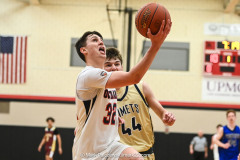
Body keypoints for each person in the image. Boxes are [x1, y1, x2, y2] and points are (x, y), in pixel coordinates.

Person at [72, 19, 172, 160]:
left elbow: (96, 106)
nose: (101, 42)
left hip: (110, 146)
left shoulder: (105, 81)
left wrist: (111, 118)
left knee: (137, 158)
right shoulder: (88, 74)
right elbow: (134, 76)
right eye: (95, 40)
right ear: (84, 50)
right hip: (89, 153)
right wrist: (155, 45)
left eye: (101, 40)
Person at [104, 47, 176, 160]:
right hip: (119, 155)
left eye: (117, 64)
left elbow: (162, 113)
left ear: (122, 67)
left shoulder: (140, 87)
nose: (113, 68)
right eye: (108, 65)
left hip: (146, 153)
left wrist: (167, 116)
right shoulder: (99, 95)